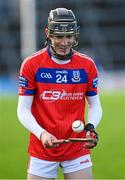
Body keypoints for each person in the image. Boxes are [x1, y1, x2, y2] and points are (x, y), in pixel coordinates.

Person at [17, 8, 102, 180]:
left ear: (75, 35)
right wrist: (42, 134)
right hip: (43, 149)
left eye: (69, 36)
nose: (64, 43)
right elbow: (23, 110)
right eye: (59, 37)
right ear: (48, 33)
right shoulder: (32, 65)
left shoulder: (87, 65)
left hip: (77, 148)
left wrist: (90, 128)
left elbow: (95, 104)